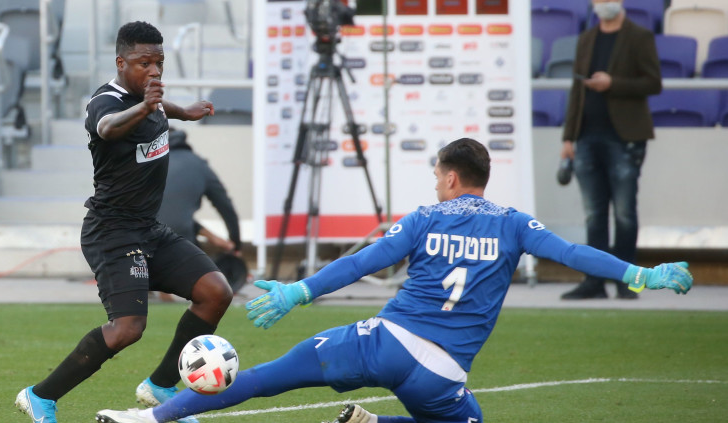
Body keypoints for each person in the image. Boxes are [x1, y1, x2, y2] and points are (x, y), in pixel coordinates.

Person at [95, 138, 692, 423]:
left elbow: (364, 262)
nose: (435, 183)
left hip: (384, 343)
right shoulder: (515, 224)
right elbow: (576, 253)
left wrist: (300, 291)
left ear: (452, 178)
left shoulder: (428, 217)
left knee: (264, 379)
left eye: (437, 175)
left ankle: (147, 419)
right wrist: (641, 274)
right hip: (442, 373)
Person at [15, 21, 233, 423]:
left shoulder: (149, 99)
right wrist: (149, 106)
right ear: (121, 63)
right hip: (111, 232)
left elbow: (157, 106)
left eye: (159, 62)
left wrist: (183, 112)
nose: (154, 70)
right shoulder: (105, 102)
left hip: (148, 228)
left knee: (215, 291)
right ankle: (39, 395)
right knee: (128, 329)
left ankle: (161, 386)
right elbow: (107, 127)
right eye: (144, 63)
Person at [559, 0, 662, 300]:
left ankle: (626, 280)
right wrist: (569, 137)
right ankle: (594, 281)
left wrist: (612, 83)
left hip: (624, 137)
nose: (604, 4)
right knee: (594, 215)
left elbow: (653, 82)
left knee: (625, 213)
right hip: (587, 136)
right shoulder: (586, 38)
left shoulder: (639, 36)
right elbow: (577, 89)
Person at [157, 128, 248, 296]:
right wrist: (235, 243)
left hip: (136, 238)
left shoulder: (144, 162)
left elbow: (167, 214)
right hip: (177, 242)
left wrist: (214, 238)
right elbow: (226, 208)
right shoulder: (198, 165)